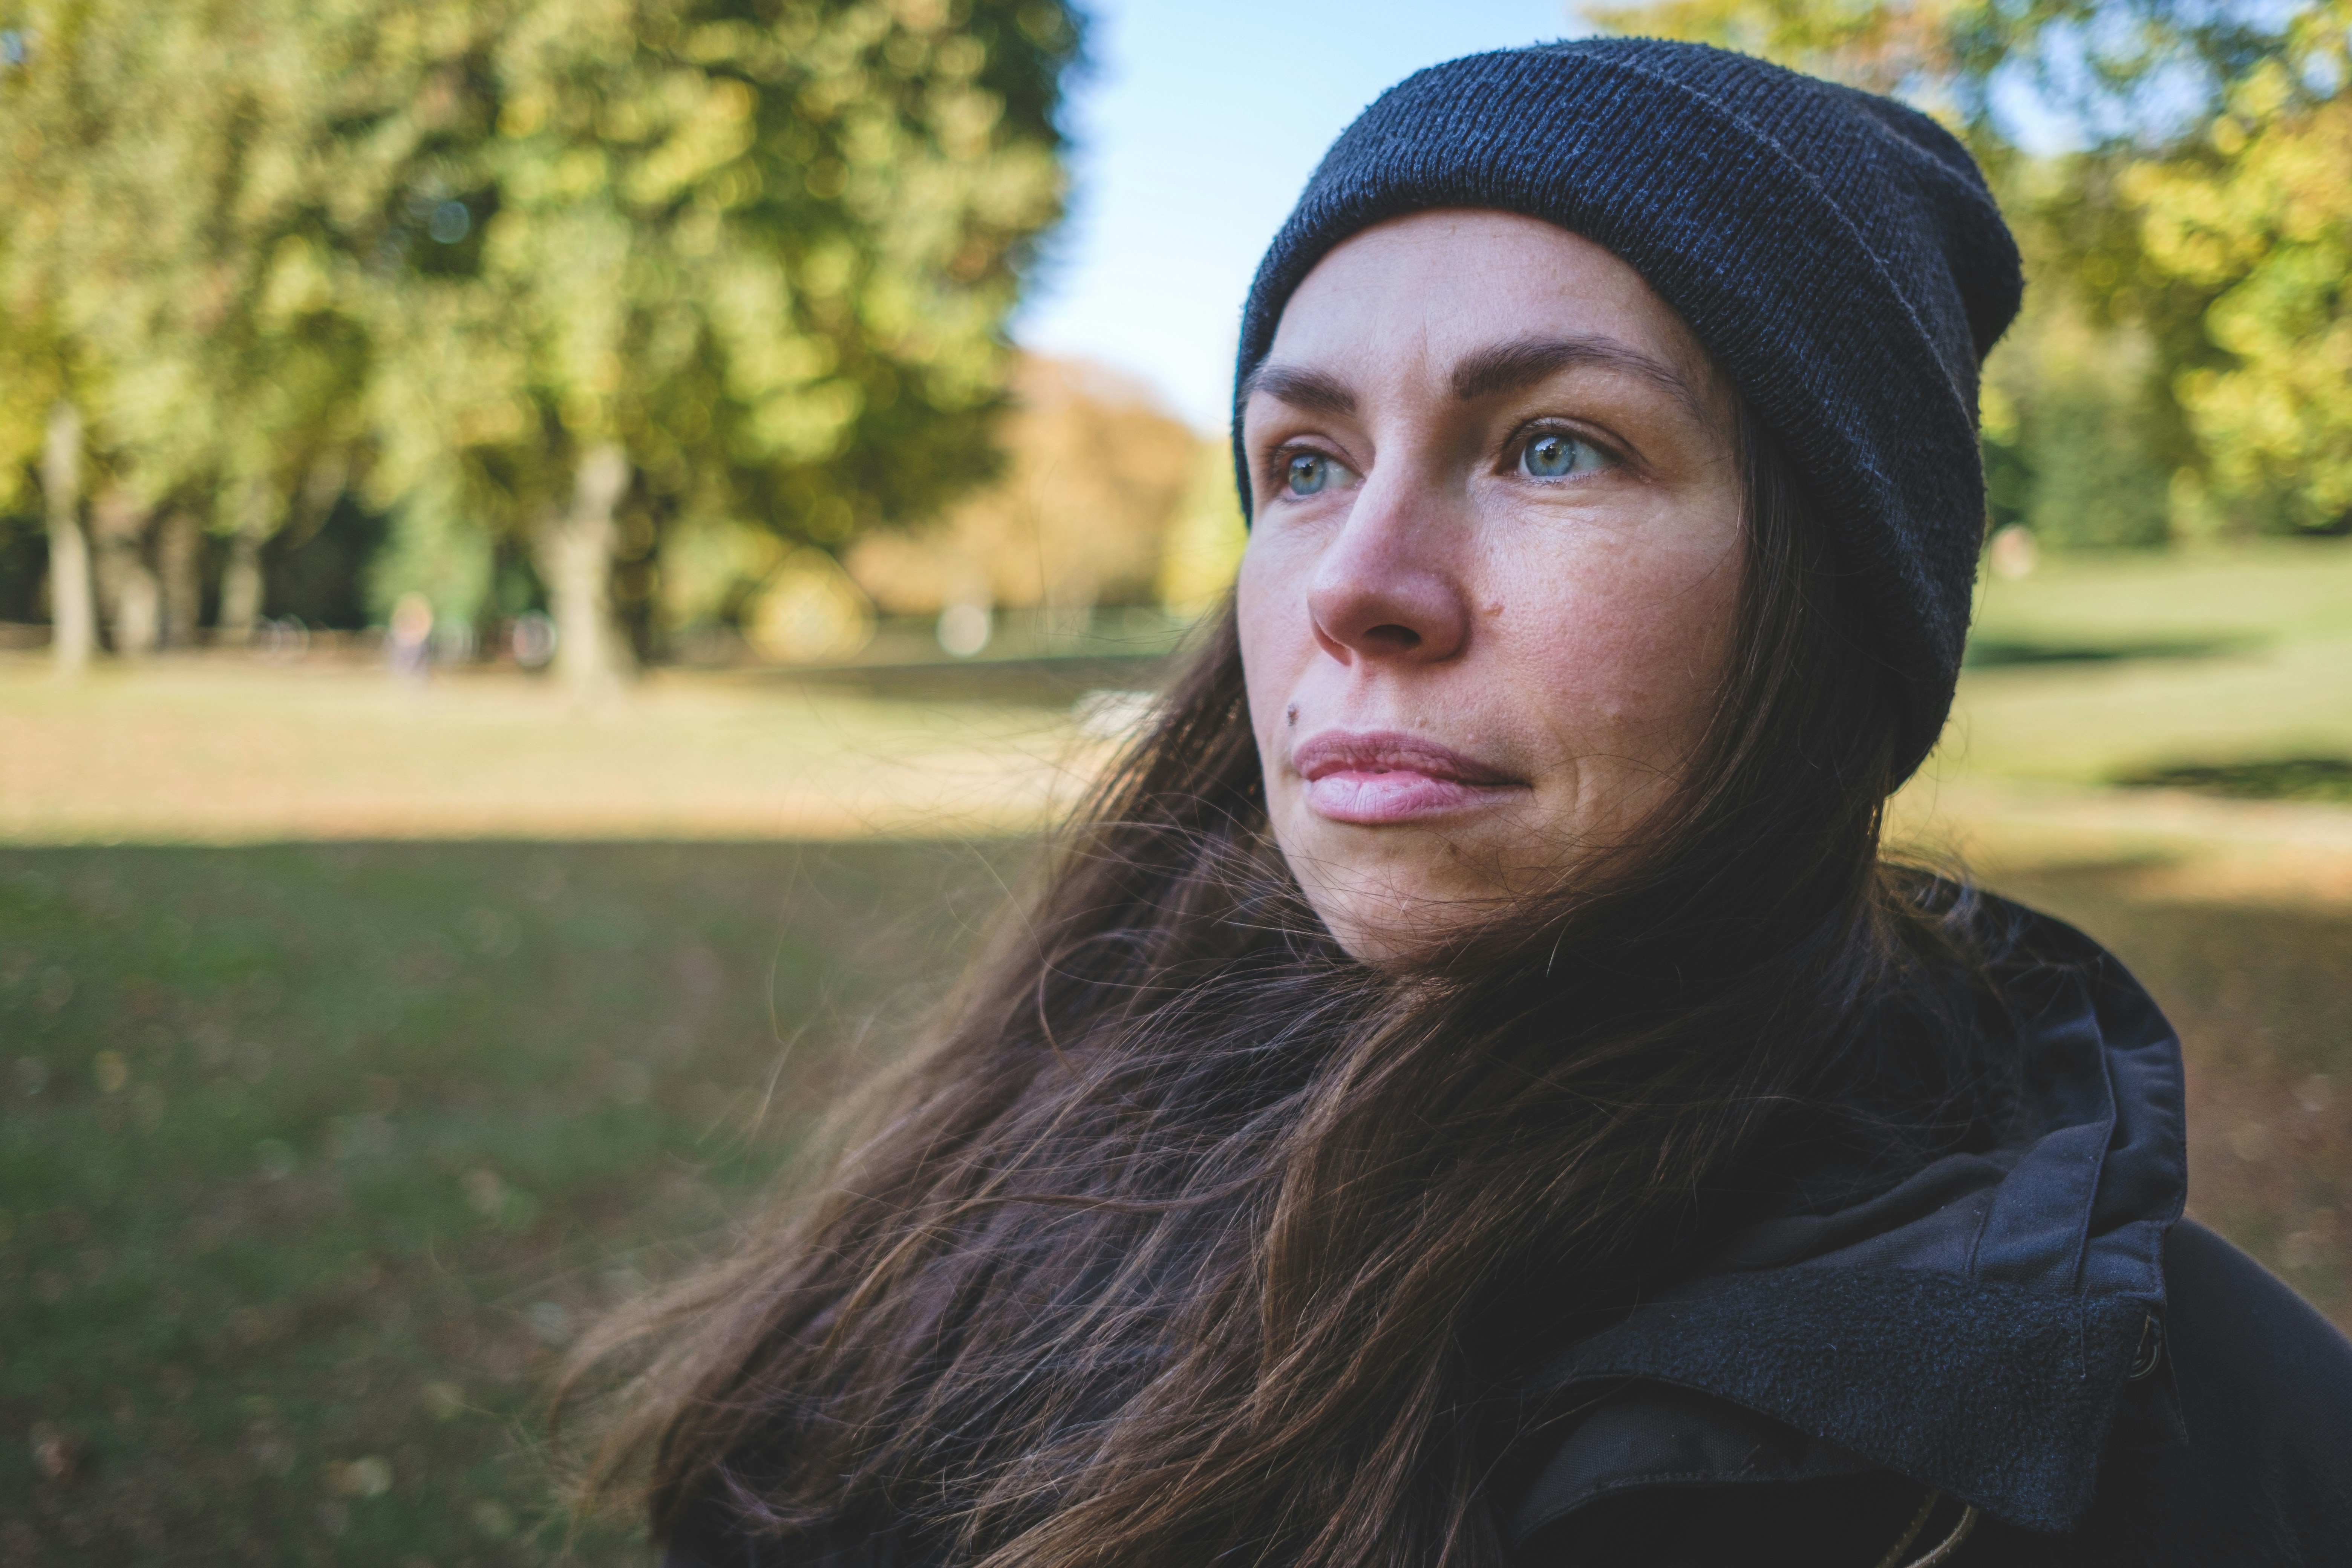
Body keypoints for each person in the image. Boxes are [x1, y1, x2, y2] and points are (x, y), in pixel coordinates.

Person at [579, 39, 2352, 1567]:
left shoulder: (2209, 1452)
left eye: (1553, 445)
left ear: (1835, 608)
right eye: (1308, 461)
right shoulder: (1031, 1165)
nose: (1361, 584)